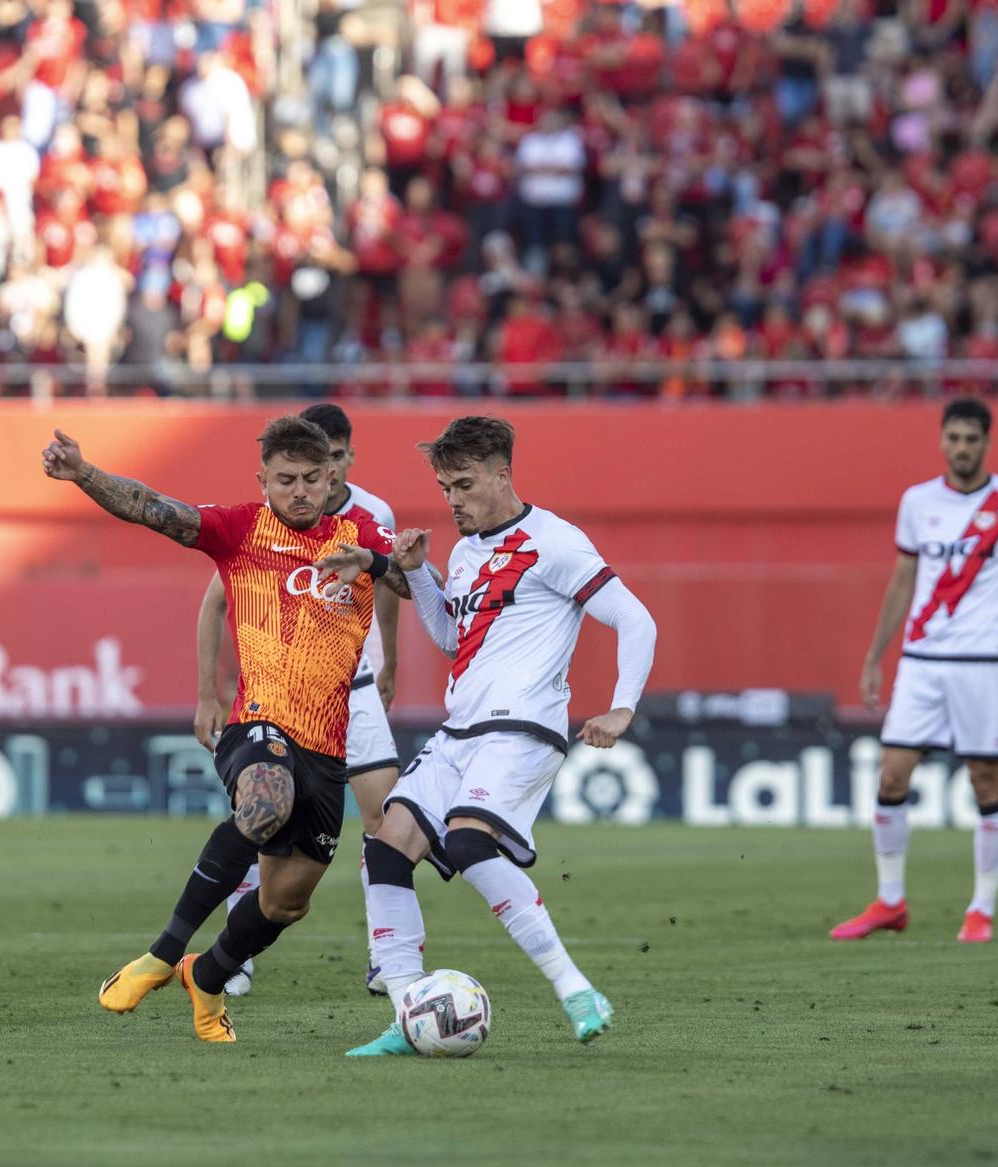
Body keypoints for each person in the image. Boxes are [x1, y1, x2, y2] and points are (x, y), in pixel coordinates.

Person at [42, 416, 409, 1042]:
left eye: (312, 479)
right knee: (267, 801)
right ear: (262, 479)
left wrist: (375, 560)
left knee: (286, 902)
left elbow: (404, 578)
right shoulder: (239, 528)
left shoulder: (359, 531)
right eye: (286, 479)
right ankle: (162, 954)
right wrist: (83, 474)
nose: (300, 491)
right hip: (259, 722)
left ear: (332, 477)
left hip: (327, 744)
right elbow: (152, 508)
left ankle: (206, 977)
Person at [324, 416, 658, 1054]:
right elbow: (454, 640)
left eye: (465, 484)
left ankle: (575, 989)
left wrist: (621, 708)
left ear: (502, 475)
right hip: (462, 731)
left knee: (470, 844)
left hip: (521, 729)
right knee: (386, 848)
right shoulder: (469, 549)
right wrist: (419, 573)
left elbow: (634, 619)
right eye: (446, 485)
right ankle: (406, 1013)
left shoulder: (554, 541)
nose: (453, 499)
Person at [832, 397, 998, 944]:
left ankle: (981, 909)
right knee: (891, 774)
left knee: (985, 778)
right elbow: (902, 582)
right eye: (954, 438)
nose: (962, 448)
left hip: (984, 661)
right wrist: (874, 656)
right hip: (921, 661)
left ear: (987, 443)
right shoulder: (917, 502)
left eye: (972, 439)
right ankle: (890, 902)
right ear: (942, 441)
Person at [191, 403, 405, 998]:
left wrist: (390, 663)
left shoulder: (371, 516)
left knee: (388, 821)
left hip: (353, 689)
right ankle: (234, 957)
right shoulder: (266, 521)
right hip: (284, 699)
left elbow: (390, 585)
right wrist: (209, 691)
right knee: (267, 824)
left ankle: (386, 955)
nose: (322, 475)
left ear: (346, 461)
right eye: (313, 464)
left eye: (333, 461)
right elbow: (217, 600)